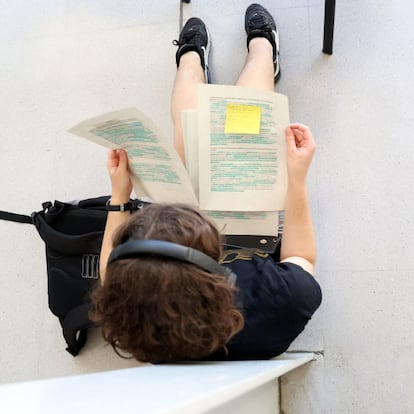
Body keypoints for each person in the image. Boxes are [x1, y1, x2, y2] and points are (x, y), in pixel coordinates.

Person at [90, 3, 322, 362]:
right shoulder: (278, 298)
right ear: (216, 264)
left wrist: (120, 198)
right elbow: (300, 255)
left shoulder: (135, 316)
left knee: (187, 128)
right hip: (255, 244)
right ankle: (260, 51)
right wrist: (297, 180)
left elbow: (109, 272)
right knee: (242, 116)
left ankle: (192, 61)